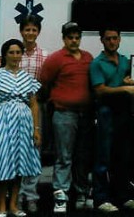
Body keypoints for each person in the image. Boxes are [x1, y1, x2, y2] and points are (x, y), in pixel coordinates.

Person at [0, 39, 42, 217]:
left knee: (19, 163)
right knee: (4, 162)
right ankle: (1, 205)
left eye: (18, 52)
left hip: (24, 124)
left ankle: (14, 205)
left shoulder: (27, 78)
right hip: (2, 122)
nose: (15, 56)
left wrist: (36, 129)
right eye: (11, 52)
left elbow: (34, 105)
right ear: (5, 54)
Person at [40, 21, 95, 214]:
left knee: (83, 156)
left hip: (86, 115)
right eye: (70, 37)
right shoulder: (55, 59)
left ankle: (81, 193)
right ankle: (60, 196)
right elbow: (44, 84)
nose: (74, 40)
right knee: (64, 157)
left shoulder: (88, 57)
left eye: (77, 37)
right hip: (64, 114)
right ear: (64, 38)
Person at [89, 27, 134, 213]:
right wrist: (125, 89)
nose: (112, 42)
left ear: (120, 39)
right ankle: (101, 198)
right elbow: (100, 90)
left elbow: (132, 80)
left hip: (124, 112)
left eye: (115, 38)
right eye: (108, 39)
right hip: (106, 112)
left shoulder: (125, 61)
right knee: (103, 157)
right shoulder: (97, 63)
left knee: (123, 155)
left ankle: (123, 196)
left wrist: (131, 82)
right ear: (102, 41)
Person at [17, 15, 50, 214]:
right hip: (14, 108)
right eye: (27, 29)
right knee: (15, 151)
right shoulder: (13, 52)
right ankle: (16, 194)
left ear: (38, 32)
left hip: (37, 106)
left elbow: (47, 82)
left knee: (34, 150)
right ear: (21, 31)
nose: (30, 33)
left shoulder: (45, 55)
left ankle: (31, 195)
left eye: (33, 30)